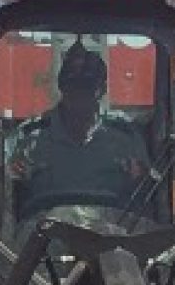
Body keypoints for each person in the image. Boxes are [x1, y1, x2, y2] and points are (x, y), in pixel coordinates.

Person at [8, 41, 153, 231]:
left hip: (111, 239)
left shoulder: (125, 138)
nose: (80, 97)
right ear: (62, 88)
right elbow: (6, 199)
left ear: (101, 90)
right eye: (74, 88)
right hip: (44, 243)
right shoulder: (30, 139)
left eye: (88, 88)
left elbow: (145, 195)